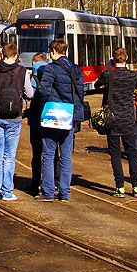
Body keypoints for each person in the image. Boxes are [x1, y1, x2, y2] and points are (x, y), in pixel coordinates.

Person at [0, 42, 34, 201]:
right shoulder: (22, 71)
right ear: (16, 56)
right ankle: (8, 192)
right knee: (9, 156)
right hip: (15, 118)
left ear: (2, 56)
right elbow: (30, 94)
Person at [34, 39, 84, 202]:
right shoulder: (76, 69)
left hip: (53, 115)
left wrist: (43, 108)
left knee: (48, 153)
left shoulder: (50, 69)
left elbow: (43, 91)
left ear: (54, 51)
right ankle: (65, 192)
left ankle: (48, 191)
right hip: (69, 115)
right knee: (66, 155)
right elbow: (80, 93)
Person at [95, 47, 137, 198]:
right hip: (128, 118)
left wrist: (108, 68)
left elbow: (97, 85)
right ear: (126, 58)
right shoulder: (134, 75)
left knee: (115, 154)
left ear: (113, 59)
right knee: (131, 153)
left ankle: (120, 186)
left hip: (112, 119)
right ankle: (136, 186)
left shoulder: (108, 74)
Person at [25, 52, 49, 195]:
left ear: (34, 63)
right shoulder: (53, 73)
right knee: (51, 153)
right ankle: (53, 182)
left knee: (37, 153)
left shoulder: (33, 76)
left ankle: (35, 183)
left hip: (35, 120)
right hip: (51, 118)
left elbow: (30, 95)